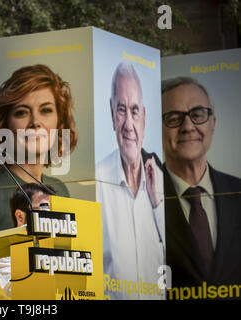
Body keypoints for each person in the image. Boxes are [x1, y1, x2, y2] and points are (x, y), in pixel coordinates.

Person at [161, 76, 241, 297]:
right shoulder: (143, 200)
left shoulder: (238, 192)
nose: (188, 127)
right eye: (174, 118)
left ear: (213, 122)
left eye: (197, 115)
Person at [96, 62, 165, 300]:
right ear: (111, 114)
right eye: (121, 110)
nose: (128, 125)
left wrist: (158, 205)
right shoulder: (96, 183)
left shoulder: (164, 182)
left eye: (134, 110)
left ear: (144, 117)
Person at [0, 64, 78, 234]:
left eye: (46, 110)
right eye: (22, 112)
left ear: (59, 122)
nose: (35, 122)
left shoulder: (60, 189)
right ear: (4, 124)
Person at [0, 183, 52, 300]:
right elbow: (19, 293)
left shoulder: (56, 246)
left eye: (53, 211)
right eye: (42, 210)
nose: (51, 217)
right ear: (20, 216)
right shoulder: (0, 253)